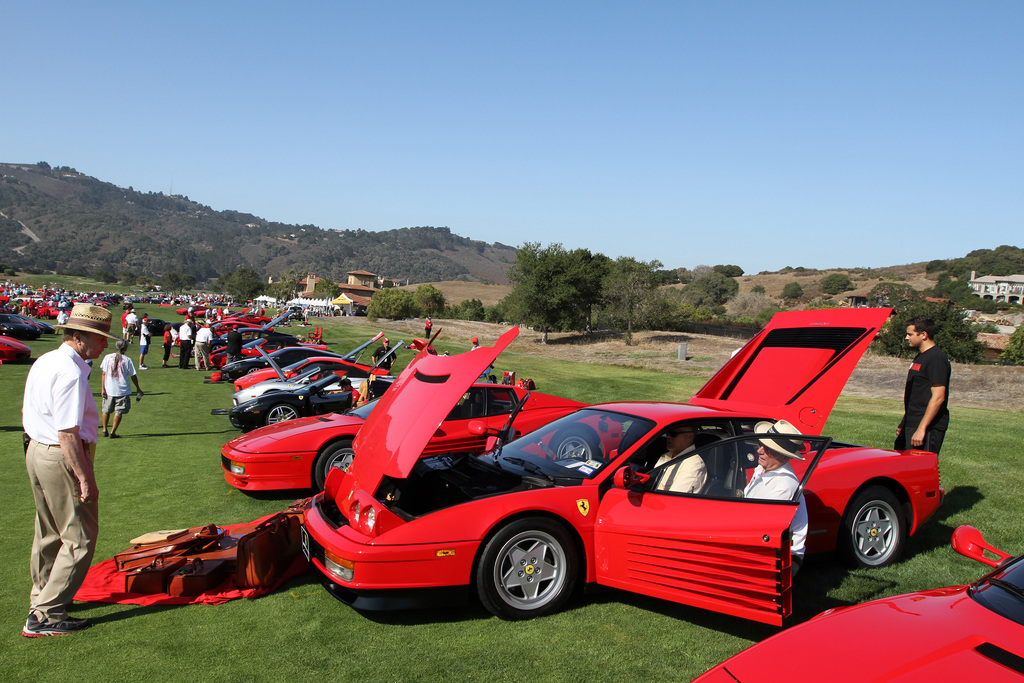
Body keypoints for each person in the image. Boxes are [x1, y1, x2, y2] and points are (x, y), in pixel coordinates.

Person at [21, 304, 118, 636]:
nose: (105, 345)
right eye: (100, 338)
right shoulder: (71, 371)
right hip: (61, 454)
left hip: (37, 449)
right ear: (80, 338)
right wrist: (85, 478)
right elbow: (67, 432)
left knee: (49, 533)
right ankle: (46, 614)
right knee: (80, 537)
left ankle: (44, 598)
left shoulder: (48, 359)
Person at [743, 419, 809, 575]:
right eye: (761, 444)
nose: (759, 451)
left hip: (782, 557)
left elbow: (762, 531)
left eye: (768, 449)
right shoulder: (763, 468)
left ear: (785, 457)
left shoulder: (783, 486)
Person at [895, 315, 951, 455]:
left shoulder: (936, 359)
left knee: (919, 472)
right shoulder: (921, 356)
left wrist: (921, 429)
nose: (907, 338)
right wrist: (905, 420)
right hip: (912, 422)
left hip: (927, 427)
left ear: (924, 335)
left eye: (910, 334)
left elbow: (938, 397)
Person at [100, 339, 143, 438]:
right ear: (125, 348)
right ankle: (113, 432)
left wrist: (103, 388)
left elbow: (103, 373)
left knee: (106, 410)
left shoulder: (107, 357)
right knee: (118, 411)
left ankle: (104, 429)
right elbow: (133, 375)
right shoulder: (127, 360)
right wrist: (138, 388)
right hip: (122, 390)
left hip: (109, 388)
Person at [654, 426, 706, 493]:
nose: (668, 437)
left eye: (673, 434)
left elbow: (673, 499)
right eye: (667, 433)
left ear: (690, 436)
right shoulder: (665, 456)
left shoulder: (693, 464)